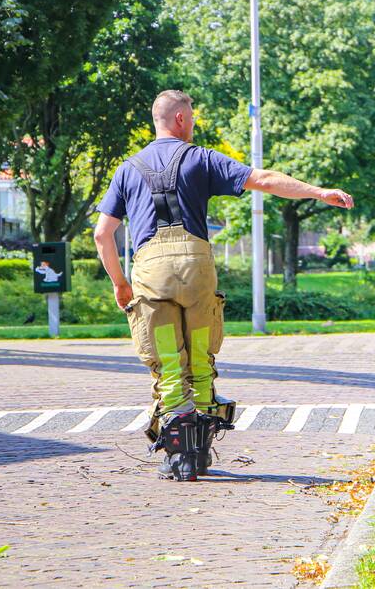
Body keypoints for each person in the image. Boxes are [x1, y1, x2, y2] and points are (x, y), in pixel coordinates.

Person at [93, 90, 353, 481]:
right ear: (180, 118)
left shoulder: (127, 170)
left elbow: (102, 234)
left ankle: (178, 457)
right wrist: (319, 192)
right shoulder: (201, 158)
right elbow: (263, 179)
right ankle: (200, 452)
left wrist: (120, 283)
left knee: (168, 364)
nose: (193, 124)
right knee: (200, 360)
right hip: (196, 270)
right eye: (192, 117)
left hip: (151, 274)